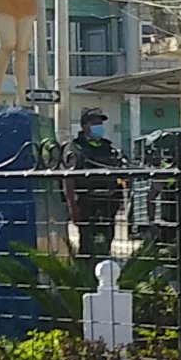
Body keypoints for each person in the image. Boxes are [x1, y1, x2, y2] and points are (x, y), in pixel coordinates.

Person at [66, 108, 128, 261]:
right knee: (87, 243)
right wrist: (72, 207)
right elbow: (68, 179)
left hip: (108, 202)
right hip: (87, 202)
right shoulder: (75, 148)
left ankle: (105, 267)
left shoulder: (108, 147)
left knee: (107, 240)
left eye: (100, 123)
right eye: (94, 123)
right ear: (84, 125)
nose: (98, 126)